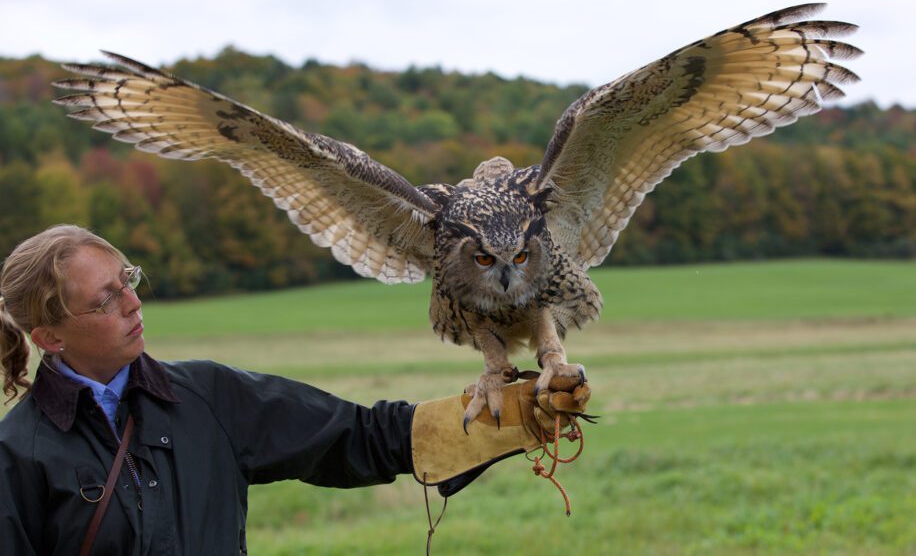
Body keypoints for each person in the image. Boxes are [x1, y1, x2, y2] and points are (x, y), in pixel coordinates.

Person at [0, 224, 589, 554]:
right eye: (104, 300)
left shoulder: (207, 397)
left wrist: (503, 416)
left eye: (127, 280)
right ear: (49, 336)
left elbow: (357, 436)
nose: (133, 301)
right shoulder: (16, 455)